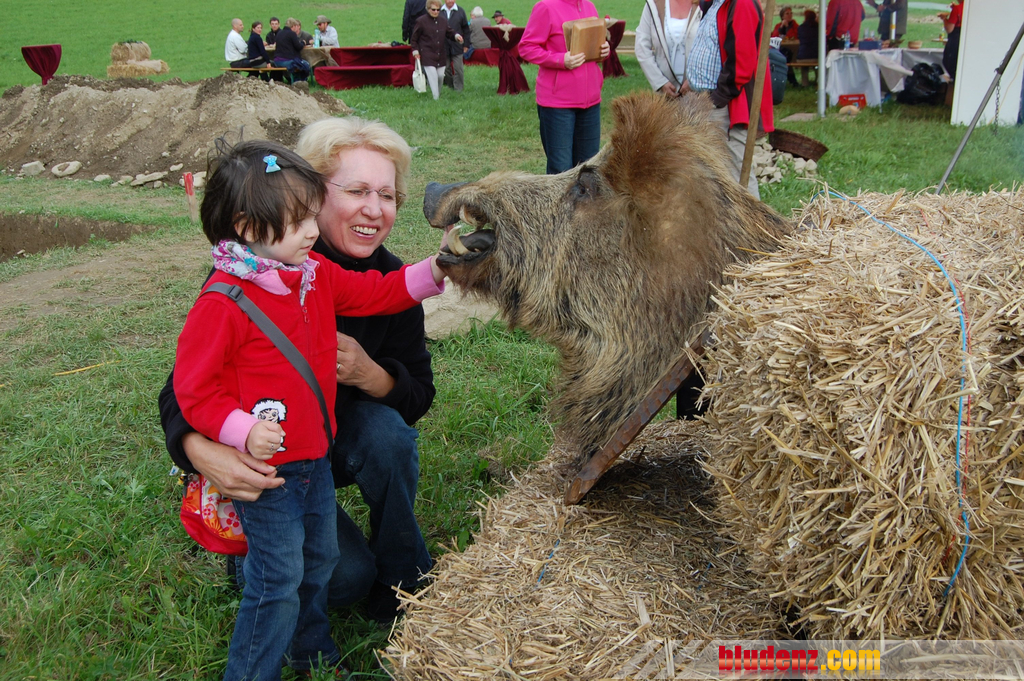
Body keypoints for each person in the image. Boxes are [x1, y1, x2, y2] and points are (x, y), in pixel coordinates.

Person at [172, 139, 445, 681]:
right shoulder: (228, 295)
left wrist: (441, 268)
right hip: (267, 468)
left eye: (387, 194)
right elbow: (190, 389)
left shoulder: (312, 271)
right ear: (249, 226)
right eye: (299, 219)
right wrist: (237, 433)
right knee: (282, 577)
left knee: (319, 561)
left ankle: (311, 652)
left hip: (315, 456)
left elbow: (380, 293)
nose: (311, 231)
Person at [685, 0, 774, 199]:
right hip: (707, 100)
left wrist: (718, 98)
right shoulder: (716, 3)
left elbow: (742, 62)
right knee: (713, 173)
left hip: (729, 103)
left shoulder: (742, 4)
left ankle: (750, 219)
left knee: (737, 174)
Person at [519, 0, 610, 175]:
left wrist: (603, 50)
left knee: (590, 170)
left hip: (591, 101)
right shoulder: (545, 7)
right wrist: (560, 60)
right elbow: (526, 47)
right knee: (561, 171)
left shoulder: (589, 6)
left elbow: (592, 47)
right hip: (557, 104)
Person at [635, 0, 703, 98]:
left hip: (698, 95)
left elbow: (713, 47)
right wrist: (660, 82)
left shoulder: (706, 3)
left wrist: (695, 80)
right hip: (664, 97)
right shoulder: (654, 4)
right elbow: (641, 46)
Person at [412, 0, 464, 99]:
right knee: (433, 76)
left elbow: (449, 31)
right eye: (433, 9)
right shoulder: (421, 21)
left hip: (440, 54)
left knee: (440, 76)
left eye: (438, 10)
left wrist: (457, 36)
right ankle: (436, 99)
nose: (436, 12)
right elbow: (414, 38)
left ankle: (437, 95)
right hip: (427, 54)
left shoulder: (443, 20)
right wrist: (415, 51)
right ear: (428, 9)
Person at [440, 0, 470, 91]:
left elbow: (466, 29)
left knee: (458, 69)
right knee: (446, 69)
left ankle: (458, 89)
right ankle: (450, 85)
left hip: (457, 45)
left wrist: (466, 44)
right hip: (443, 45)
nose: (451, 1)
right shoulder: (439, 11)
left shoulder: (460, 11)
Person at [940, 0, 964, 79]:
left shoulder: (957, 9)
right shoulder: (968, 8)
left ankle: (954, 80)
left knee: (949, 62)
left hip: (956, 38)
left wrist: (944, 19)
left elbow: (949, 29)